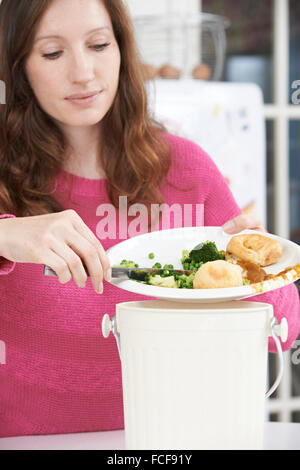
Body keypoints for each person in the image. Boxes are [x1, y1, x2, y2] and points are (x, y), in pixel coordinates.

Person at [0, 0, 299, 439]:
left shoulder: (185, 169)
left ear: (121, 49)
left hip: (176, 439)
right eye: (52, 53)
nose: (83, 72)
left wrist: (253, 273)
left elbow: (287, 331)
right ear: (19, 66)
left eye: (99, 45)